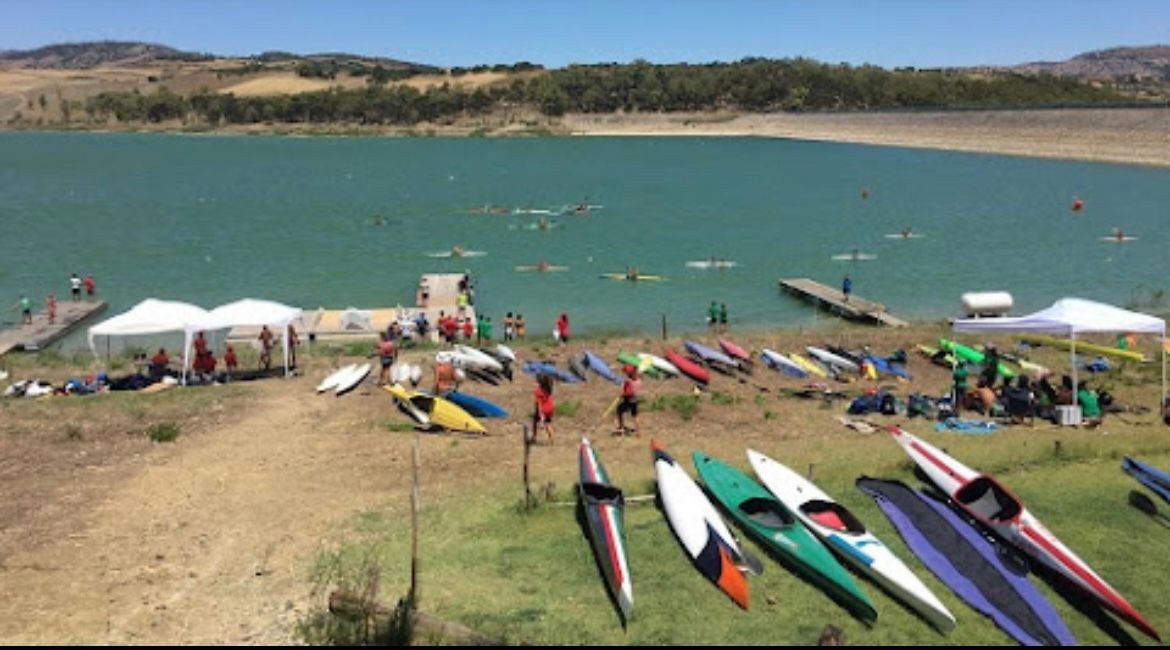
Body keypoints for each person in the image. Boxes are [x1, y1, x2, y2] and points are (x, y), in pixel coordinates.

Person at [615, 364, 642, 437]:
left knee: (619, 410)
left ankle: (621, 428)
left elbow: (629, 392)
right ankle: (638, 432)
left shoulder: (628, 381)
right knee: (635, 416)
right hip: (636, 400)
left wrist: (622, 394)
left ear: (628, 373)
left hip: (629, 400)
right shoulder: (639, 380)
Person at [532, 372, 556, 445]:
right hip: (550, 408)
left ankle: (534, 437)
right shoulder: (548, 389)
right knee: (548, 423)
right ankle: (552, 440)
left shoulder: (538, 391)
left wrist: (541, 414)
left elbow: (539, 403)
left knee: (535, 422)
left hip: (543, 409)